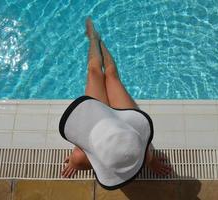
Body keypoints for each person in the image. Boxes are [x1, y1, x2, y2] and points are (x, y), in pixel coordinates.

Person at [59, 17, 172, 189]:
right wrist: (152, 162)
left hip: (97, 123)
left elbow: (147, 153)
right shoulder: (138, 149)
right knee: (110, 74)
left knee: (95, 72)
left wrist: (75, 164)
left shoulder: (80, 158)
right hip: (122, 126)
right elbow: (147, 154)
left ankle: (94, 39)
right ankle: (97, 40)